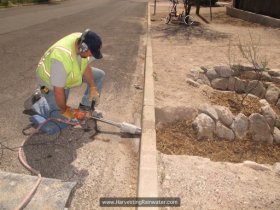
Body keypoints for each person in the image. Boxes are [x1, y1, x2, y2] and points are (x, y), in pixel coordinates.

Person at [27, 29, 105, 133]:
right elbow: (58, 91)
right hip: (49, 83)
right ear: (83, 47)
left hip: (67, 75)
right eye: (91, 53)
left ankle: (85, 108)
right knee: (58, 125)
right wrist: (65, 110)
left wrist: (92, 87)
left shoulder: (82, 41)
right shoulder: (61, 57)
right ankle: (39, 101)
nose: (91, 56)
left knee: (99, 75)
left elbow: (85, 65)